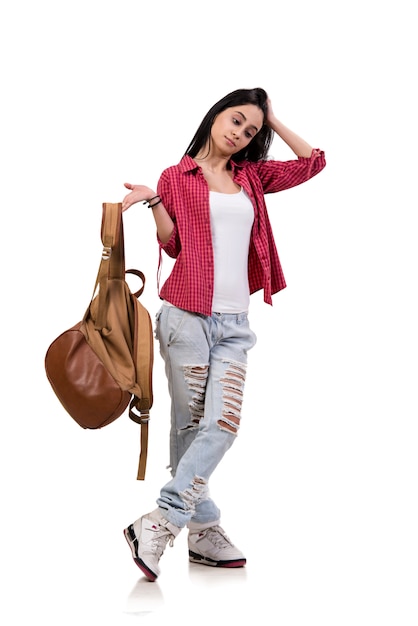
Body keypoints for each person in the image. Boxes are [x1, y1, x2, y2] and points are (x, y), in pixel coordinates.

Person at [121, 87, 326, 581]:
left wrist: (272, 119)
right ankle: (205, 533)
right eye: (236, 121)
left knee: (223, 425)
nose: (240, 134)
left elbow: (314, 162)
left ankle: (163, 520)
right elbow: (171, 247)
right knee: (194, 430)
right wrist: (153, 202)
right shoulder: (177, 176)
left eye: (250, 130)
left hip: (235, 324)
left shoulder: (251, 176)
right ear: (216, 116)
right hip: (186, 317)